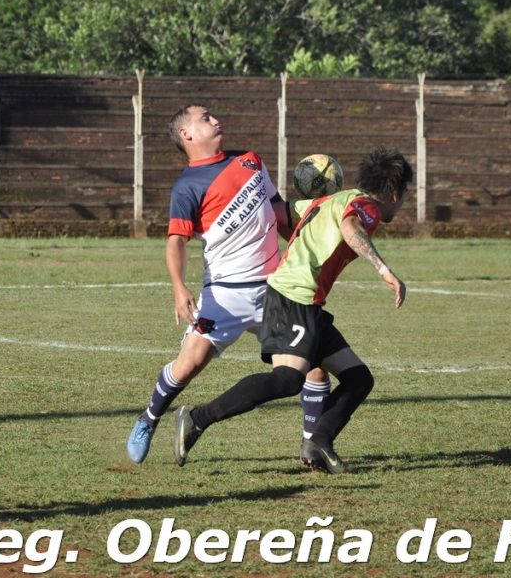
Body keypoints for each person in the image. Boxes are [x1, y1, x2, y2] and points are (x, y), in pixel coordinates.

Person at [172, 147, 412, 474]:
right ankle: (197, 417)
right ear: (395, 193)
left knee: (358, 379)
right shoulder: (364, 207)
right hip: (293, 298)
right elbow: (351, 227)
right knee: (287, 380)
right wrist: (384, 271)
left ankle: (319, 443)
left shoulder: (329, 200)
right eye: (404, 196)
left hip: (303, 302)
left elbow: (279, 212)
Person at [126, 104, 330, 463]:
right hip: (226, 295)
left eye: (213, 115)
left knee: (311, 360)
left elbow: (280, 214)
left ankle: (312, 445)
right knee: (189, 364)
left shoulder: (250, 161)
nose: (216, 120)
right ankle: (150, 417)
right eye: (205, 118)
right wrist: (178, 286)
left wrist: (310, 241)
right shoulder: (187, 186)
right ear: (186, 135)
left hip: (276, 290)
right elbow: (176, 241)